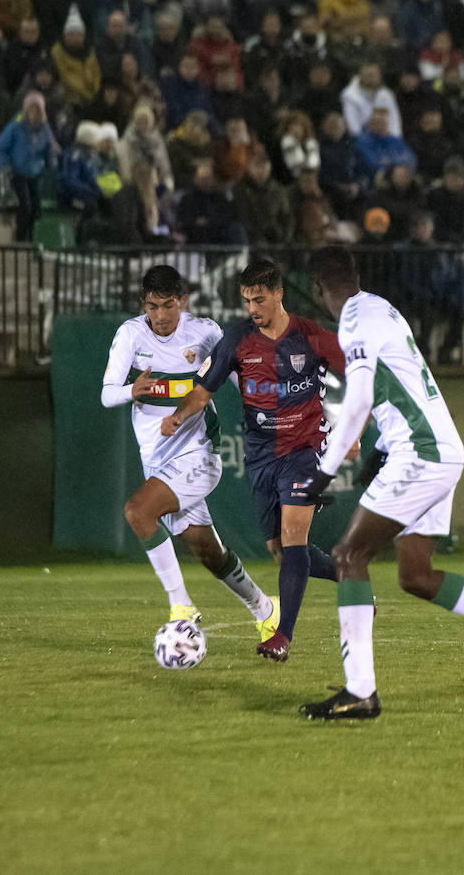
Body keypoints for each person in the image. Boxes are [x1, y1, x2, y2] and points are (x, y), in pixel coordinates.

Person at [292, 245, 464, 719]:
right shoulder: (382, 310)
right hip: (435, 449)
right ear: (355, 274)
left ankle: (360, 692)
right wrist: (378, 449)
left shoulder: (356, 319)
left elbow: (356, 402)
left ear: (316, 289)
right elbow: (399, 388)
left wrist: (322, 474)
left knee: (347, 555)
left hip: (422, 452)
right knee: (416, 575)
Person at [161, 257, 346, 662]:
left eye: (259, 299)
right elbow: (204, 391)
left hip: (305, 449)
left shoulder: (311, 336)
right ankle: (348, 575)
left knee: (294, 535)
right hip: (261, 456)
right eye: (246, 300)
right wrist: (177, 415)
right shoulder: (238, 339)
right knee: (281, 551)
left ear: (279, 294)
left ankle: (282, 636)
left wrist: (354, 429)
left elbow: (361, 375)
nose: (252, 309)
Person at [100, 264, 280, 645]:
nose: (161, 316)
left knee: (138, 511)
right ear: (143, 304)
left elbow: (241, 380)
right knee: (208, 551)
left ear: (182, 301)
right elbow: (106, 393)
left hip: (199, 452)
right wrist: (133, 390)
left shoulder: (205, 332)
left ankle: (181, 606)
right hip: (157, 458)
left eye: (168, 306)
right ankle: (265, 609)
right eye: (152, 307)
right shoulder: (131, 335)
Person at [0, 90, 56, 243]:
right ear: (26, 110)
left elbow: (49, 149)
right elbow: (0, 148)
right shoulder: (16, 126)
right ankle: (20, 239)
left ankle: (34, 240)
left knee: (37, 209)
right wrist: (5, 167)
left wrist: (51, 160)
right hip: (17, 173)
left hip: (35, 174)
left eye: (38, 110)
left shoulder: (45, 129)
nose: (34, 114)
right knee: (25, 206)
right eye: (31, 110)